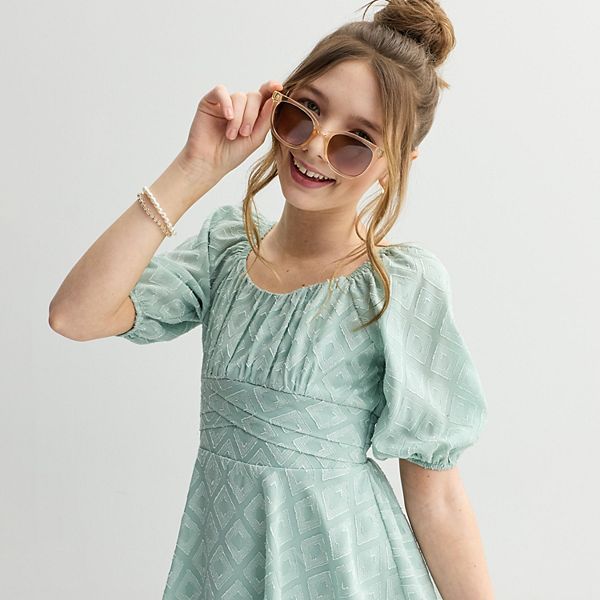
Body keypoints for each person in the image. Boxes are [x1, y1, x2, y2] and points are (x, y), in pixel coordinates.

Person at [49, 1, 494, 598]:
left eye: (357, 142)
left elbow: (436, 496)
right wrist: (194, 167)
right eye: (304, 112)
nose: (316, 147)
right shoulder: (224, 250)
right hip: (223, 568)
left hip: (349, 573)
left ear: (395, 165)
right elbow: (75, 315)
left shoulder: (399, 286)